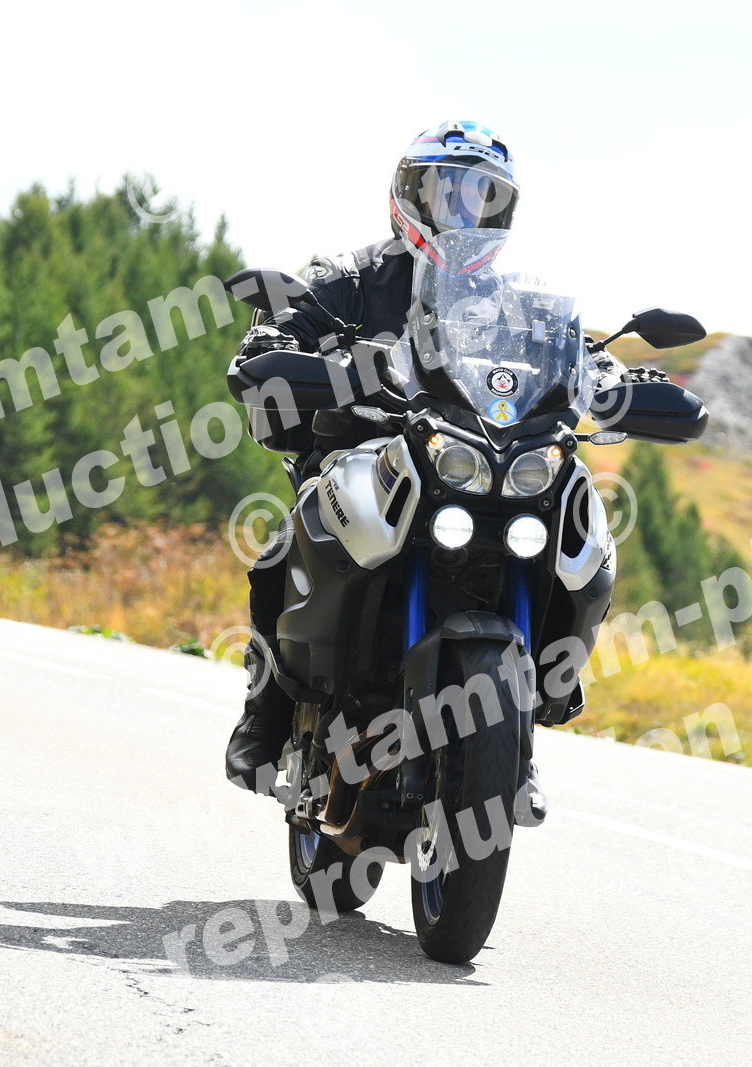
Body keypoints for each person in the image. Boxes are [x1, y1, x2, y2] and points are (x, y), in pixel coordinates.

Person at [222, 120, 662, 819]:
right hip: (365, 454)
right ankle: (266, 712)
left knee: (575, 522)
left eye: (483, 197)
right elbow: (289, 327)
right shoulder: (349, 279)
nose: (463, 212)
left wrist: (619, 378)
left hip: (481, 465)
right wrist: (280, 344)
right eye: (446, 191)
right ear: (408, 194)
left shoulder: (521, 301)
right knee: (283, 551)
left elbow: (576, 358)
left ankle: (527, 715)